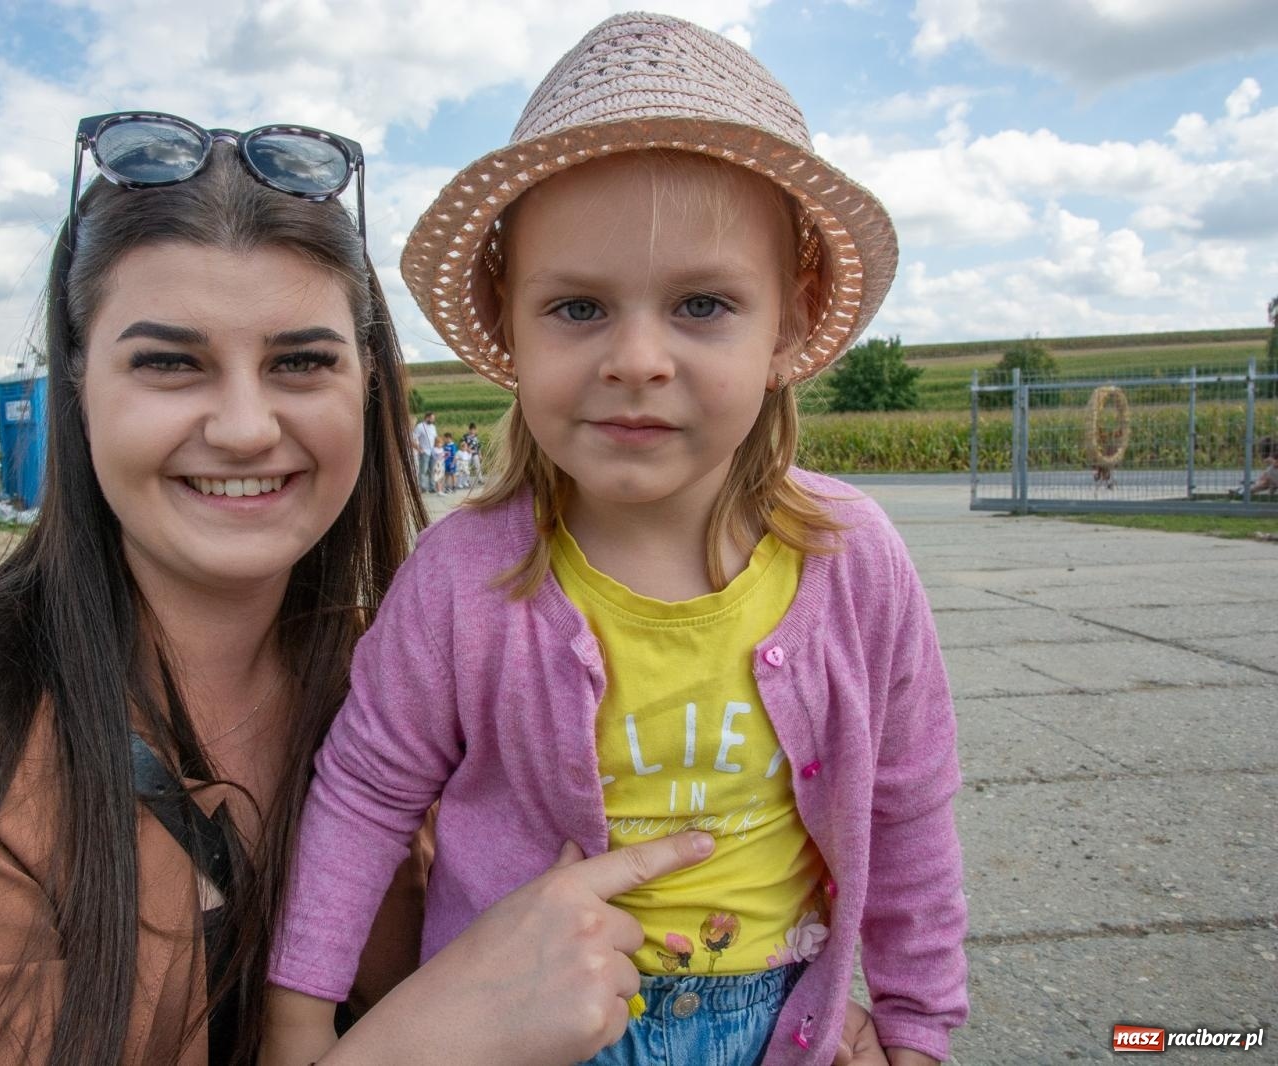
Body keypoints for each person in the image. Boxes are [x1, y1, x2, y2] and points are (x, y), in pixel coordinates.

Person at [0, 111, 726, 1066]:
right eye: (168, 363)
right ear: (78, 384)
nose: (245, 427)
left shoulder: (406, 674)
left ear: (368, 385)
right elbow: (481, 1008)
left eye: (299, 362)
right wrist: (427, 1041)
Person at [265, 14, 967, 1066]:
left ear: (789, 319)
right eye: (579, 306)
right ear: (511, 324)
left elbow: (907, 805)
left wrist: (916, 1026)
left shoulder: (852, 562)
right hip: (522, 1028)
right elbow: (365, 792)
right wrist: (297, 1022)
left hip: (780, 1024)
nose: (637, 358)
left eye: (700, 303)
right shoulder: (464, 579)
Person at [413, 411, 440, 493]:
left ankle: (432, 487)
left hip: (432, 451)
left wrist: (437, 449)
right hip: (424, 451)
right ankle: (423, 487)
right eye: (432, 418)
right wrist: (419, 448)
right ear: (427, 417)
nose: (433, 420)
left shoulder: (433, 427)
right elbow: (414, 438)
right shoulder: (420, 426)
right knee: (423, 470)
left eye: (433, 419)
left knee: (432, 470)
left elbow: (435, 438)